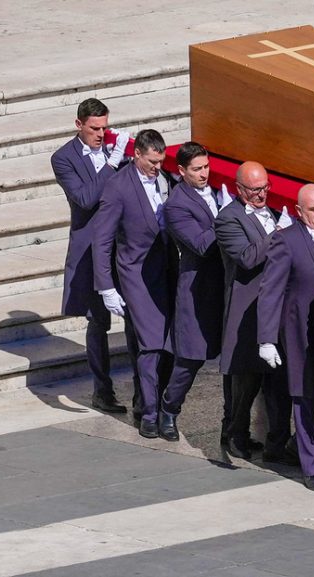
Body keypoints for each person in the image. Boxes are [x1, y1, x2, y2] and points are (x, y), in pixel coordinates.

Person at [91, 129, 178, 439]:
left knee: (167, 345)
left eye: (161, 161)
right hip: (136, 277)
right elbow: (101, 241)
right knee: (151, 346)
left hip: (167, 272)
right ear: (137, 154)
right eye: (152, 161)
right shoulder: (118, 187)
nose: (157, 167)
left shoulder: (165, 179)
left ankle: (147, 404)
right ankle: (152, 414)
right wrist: (106, 287)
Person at [258, 184, 314, 492]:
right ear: (299, 211)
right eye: (313, 209)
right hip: (299, 335)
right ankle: (313, 467)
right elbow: (270, 290)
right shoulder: (286, 241)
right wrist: (267, 338)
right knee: (305, 397)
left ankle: (299, 446)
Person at [51, 97, 133, 414]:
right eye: (94, 128)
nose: (101, 134)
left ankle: (145, 391)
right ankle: (103, 390)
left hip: (124, 245)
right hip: (92, 249)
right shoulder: (64, 158)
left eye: (105, 127)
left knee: (135, 319)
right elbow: (84, 198)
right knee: (98, 321)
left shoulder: (116, 150)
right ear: (79, 125)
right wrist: (113, 163)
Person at [214, 160, 296, 462]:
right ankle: (236, 435)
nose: (262, 195)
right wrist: (278, 233)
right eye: (254, 190)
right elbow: (247, 258)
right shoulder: (228, 219)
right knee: (245, 382)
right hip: (247, 310)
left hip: (276, 305)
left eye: (265, 188)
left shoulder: (273, 211)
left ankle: (277, 443)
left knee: (277, 381)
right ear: (239, 189)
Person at [160, 142, 232, 442]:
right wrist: (229, 217)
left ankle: (232, 425)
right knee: (189, 359)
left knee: (231, 358)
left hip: (226, 285)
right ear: (182, 171)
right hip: (198, 289)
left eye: (206, 167)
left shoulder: (215, 190)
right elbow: (200, 244)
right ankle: (169, 409)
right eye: (197, 169)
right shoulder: (176, 204)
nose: (204, 173)